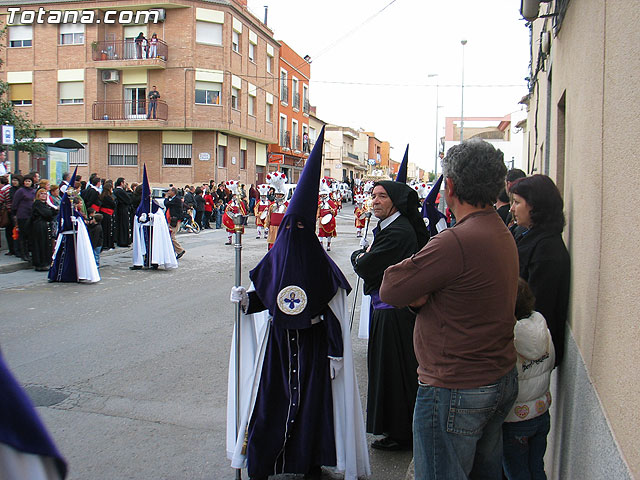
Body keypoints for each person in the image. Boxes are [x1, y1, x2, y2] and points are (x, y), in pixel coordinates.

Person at [227, 127, 370, 480]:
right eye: (288, 226)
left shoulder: (323, 266)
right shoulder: (274, 261)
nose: (292, 233)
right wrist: (246, 300)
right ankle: (264, 462)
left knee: (311, 409)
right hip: (277, 347)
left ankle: (308, 463)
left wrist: (336, 351)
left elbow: (333, 312)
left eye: (299, 227)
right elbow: (266, 297)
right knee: (272, 403)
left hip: (314, 346)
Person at [379, 139, 519, 479]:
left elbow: (391, 288)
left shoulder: (456, 240)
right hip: (493, 377)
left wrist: (423, 293)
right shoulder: (498, 228)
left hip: (456, 387)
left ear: (451, 186)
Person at [350, 180, 429, 451]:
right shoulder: (389, 227)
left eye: (382, 196)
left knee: (395, 372)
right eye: (373, 196)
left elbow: (366, 266)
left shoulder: (398, 231)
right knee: (388, 370)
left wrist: (359, 256)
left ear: (395, 201)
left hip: (394, 312)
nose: (375, 201)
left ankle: (401, 433)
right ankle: (396, 429)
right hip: (387, 309)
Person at [510, 174, 570, 366]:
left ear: (534, 206)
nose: (512, 208)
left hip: (531, 352)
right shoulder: (532, 237)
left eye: (517, 202)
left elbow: (537, 304)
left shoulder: (546, 248)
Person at [502, 278, 555, 480]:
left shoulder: (509, 338)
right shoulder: (543, 329)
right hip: (541, 412)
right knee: (536, 469)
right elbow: (550, 363)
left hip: (515, 419)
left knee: (517, 473)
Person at [49, 170, 100, 283]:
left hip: (75, 236)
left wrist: (77, 222)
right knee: (64, 256)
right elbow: (62, 220)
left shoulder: (75, 211)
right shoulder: (65, 206)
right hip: (67, 236)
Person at [30, 188, 57, 271]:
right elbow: (47, 214)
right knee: (40, 244)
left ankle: (45, 262)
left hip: (45, 225)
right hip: (39, 226)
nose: (43, 195)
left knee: (45, 244)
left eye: (45, 194)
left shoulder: (45, 204)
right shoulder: (38, 203)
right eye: (41, 194)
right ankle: (40, 263)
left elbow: (53, 212)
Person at [11, 174, 35, 261]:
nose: (27, 183)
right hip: (22, 215)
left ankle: (29, 252)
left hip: (31, 215)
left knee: (29, 235)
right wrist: (15, 215)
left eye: (29, 181)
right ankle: (23, 254)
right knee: (23, 235)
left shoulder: (33, 191)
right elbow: (15, 203)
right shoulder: (21, 191)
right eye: (26, 181)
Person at [264, 172, 288, 250]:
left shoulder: (286, 206)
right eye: (277, 194)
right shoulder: (272, 206)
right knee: (272, 246)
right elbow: (268, 217)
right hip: (272, 229)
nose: (278, 196)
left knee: (281, 246)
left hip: (282, 229)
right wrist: (266, 226)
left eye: (280, 195)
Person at [222, 181, 247, 245]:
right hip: (231, 218)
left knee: (237, 230)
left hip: (237, 218)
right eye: (233, 195)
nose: (234, 197)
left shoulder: (240, 203)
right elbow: (227, 210)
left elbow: (243, 210)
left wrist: (241, 215)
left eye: (235, 195)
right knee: (229, 230)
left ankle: (237, 241)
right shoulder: (230, 202)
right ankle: (229, 240)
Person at [164, 187, 185, 259]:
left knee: (171, 235)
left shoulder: (176, 199)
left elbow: (167, 204)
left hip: (175, 220)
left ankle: (180, 250)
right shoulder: (175, 199)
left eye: (169, 191)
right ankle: (174, 250)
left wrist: (166, 198)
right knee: (170, 235)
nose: (168, 193)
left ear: (173, 192)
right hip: (171, 219)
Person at [317, 179, 338, 251]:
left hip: (329, 219)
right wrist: (317, 217)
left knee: (329, 233)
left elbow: (335, 210)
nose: (323, 196)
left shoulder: (330, 202)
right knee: (320, 232)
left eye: (324, 194)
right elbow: (318, 211)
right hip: (321, 219)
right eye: (322, 195)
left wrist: (333, 211)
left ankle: (328, 245)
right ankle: (321, 245)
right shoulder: (319, 202)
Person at [114, 178, 132, 247]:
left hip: (119, 210)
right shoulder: (120, 191)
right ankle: (123, 241)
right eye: (124, 183)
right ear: (121, 183)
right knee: (123, 226)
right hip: (122, 210)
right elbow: (129, 200)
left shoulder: (116, 191)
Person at [0, 175, 15, 256]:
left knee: (9, 231)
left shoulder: (3, 191)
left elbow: (0, 200)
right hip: (13, 212)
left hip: (8, 213)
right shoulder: (10, 188)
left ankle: (11, 249)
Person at [99, 182, 116, 251]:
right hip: (107, 213)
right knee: (108, 229)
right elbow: (113, 204)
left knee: (105, 229)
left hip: (105, 213)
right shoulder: (108, 197)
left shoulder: (101, 196)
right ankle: (107, 244)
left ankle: (106, 244)